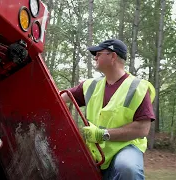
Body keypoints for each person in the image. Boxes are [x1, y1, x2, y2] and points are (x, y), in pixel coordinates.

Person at [61, 39, 155, 180]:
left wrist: (102, 134)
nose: (95, 57)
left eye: (99, 53)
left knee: (127, 168)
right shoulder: (90, 85)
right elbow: (60, 97)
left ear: (113, 56)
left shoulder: (137, 88)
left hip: (126, 147)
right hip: (95, 149)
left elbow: (142, 129)